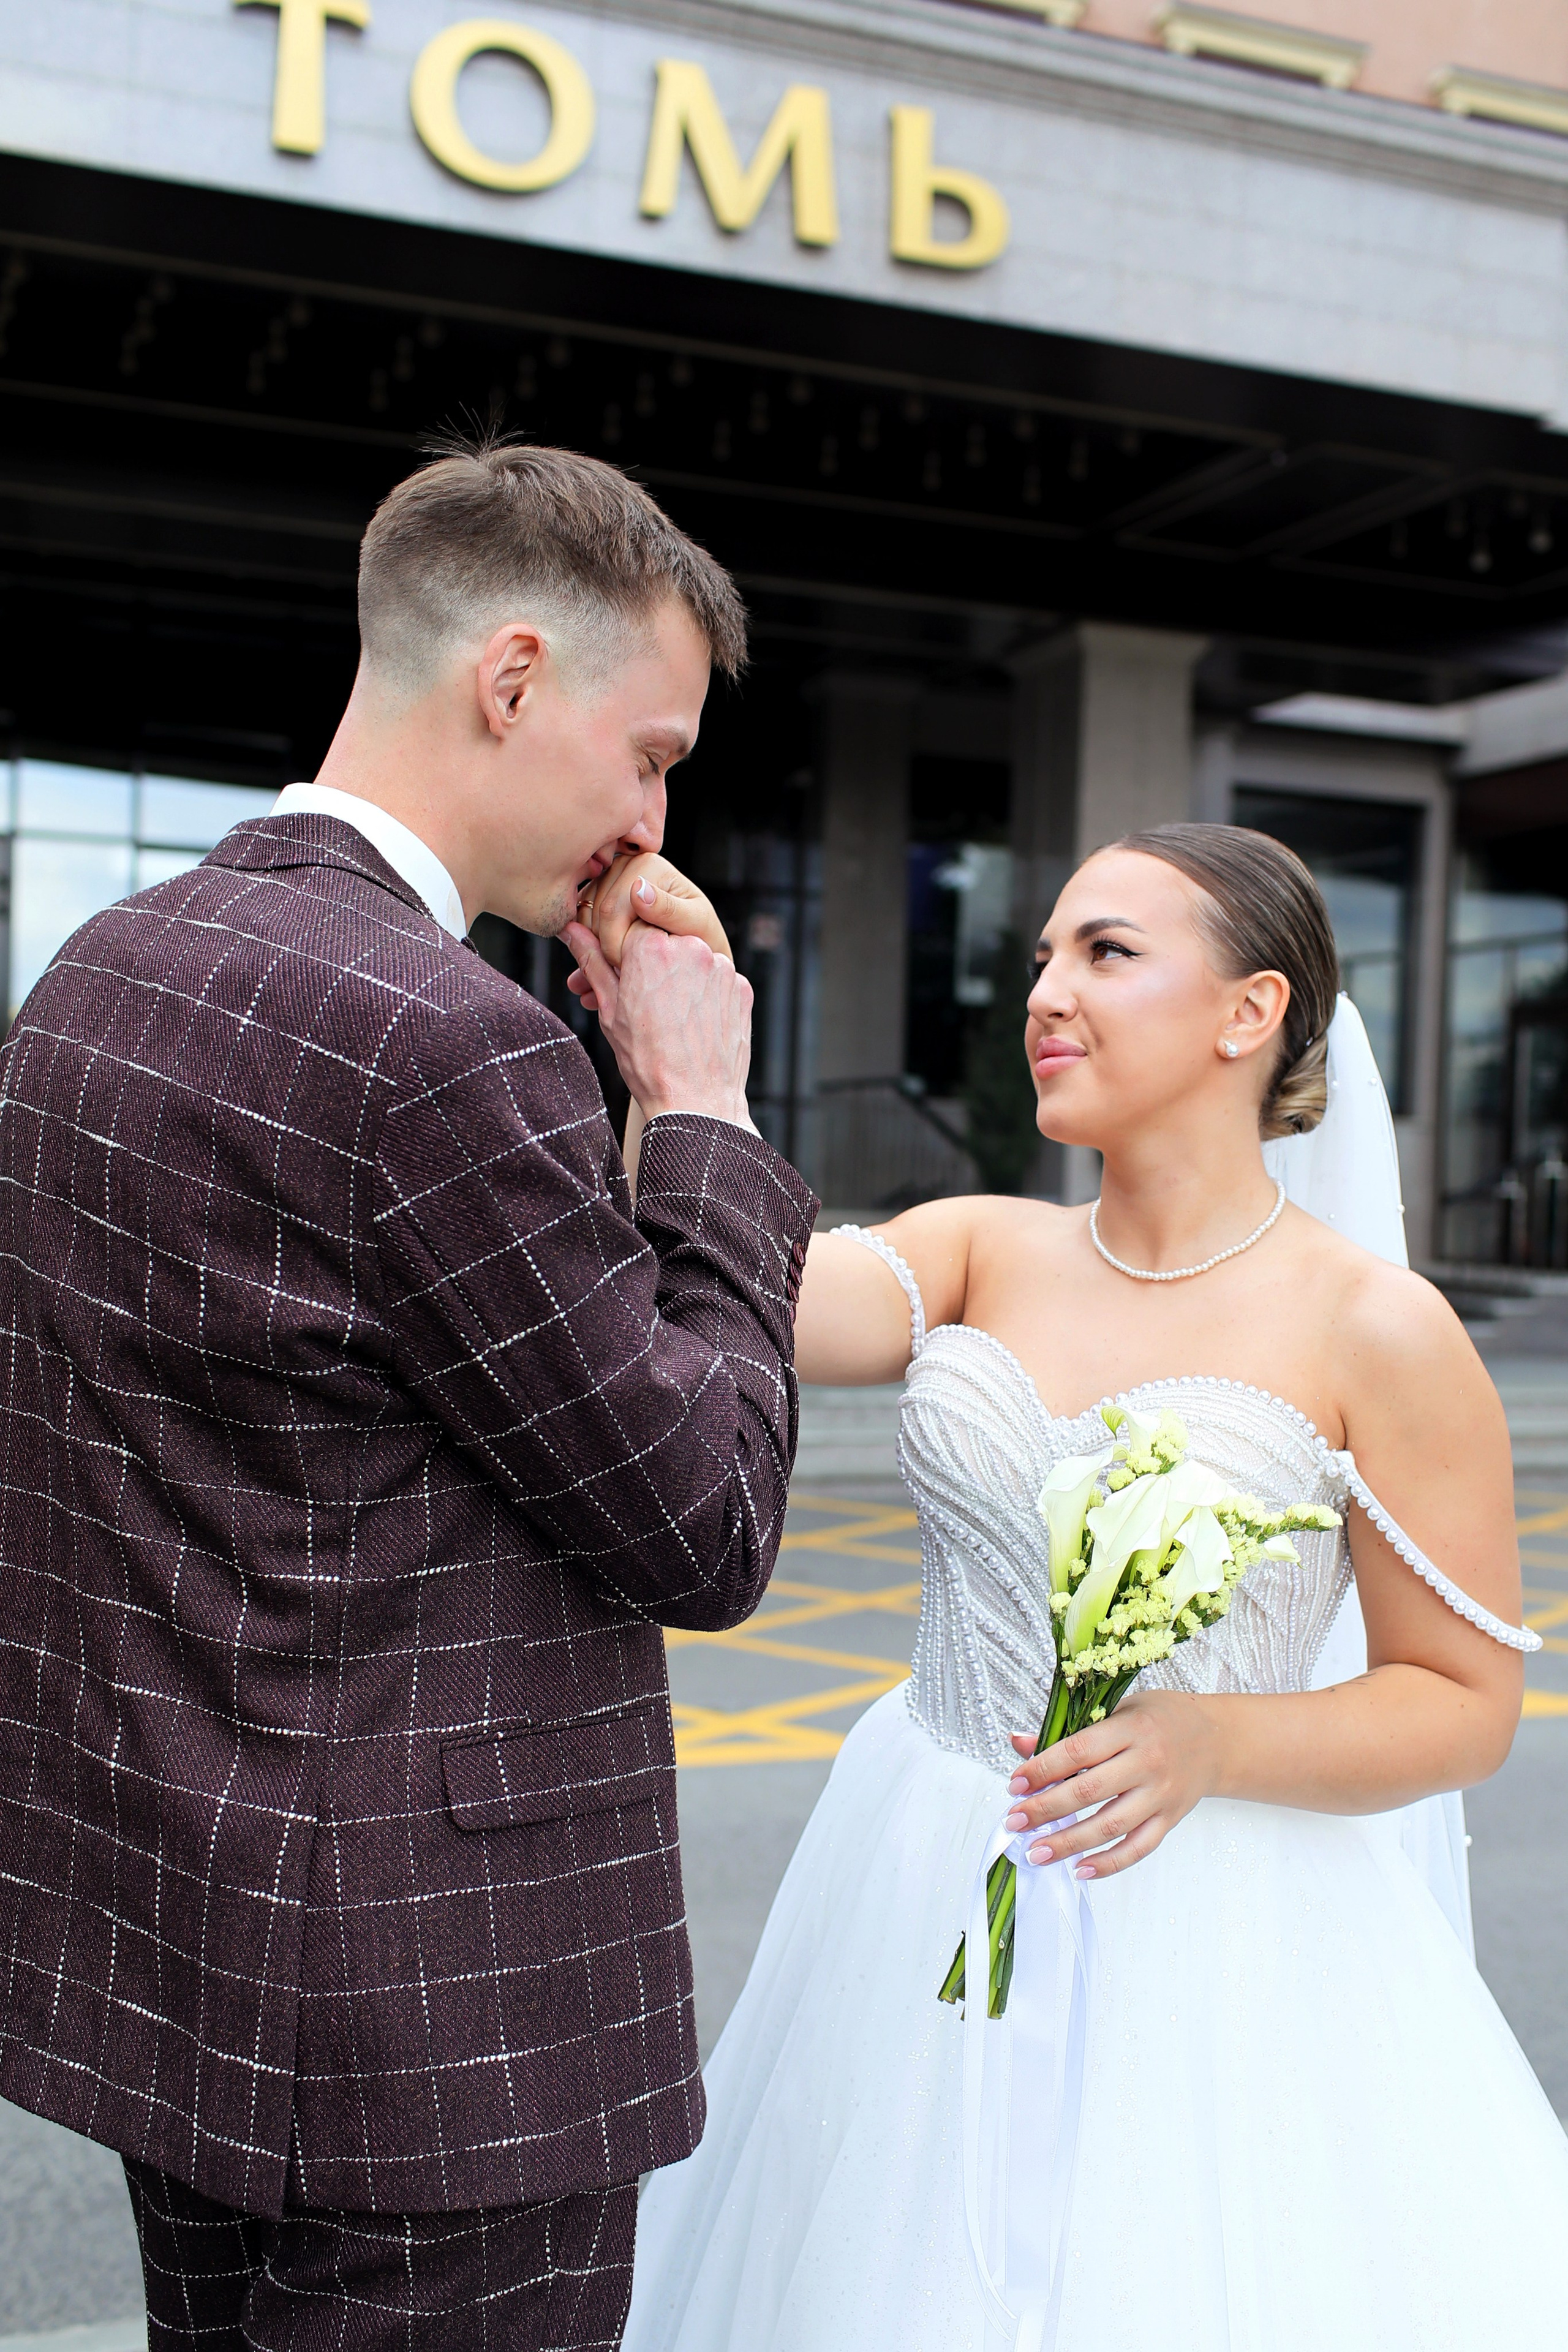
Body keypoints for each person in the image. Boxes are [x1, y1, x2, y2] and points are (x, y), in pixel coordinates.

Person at [0, 440, 818, 2350]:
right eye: (658, 754)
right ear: (513, 680)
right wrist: (697, 1113)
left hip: (185, 1986)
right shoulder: (448, 1044)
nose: (649, 816)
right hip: (444, 2058)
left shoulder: (92, 983)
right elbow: (707, 1523)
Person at [572, 823, 1568, 2351]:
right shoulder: (977, 1248)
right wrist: (679, 1057)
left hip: (1231, 1938)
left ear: (1248, 1014)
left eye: (1104, 953)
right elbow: (730, 1281)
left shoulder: (1380, 1329)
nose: (1044, 990)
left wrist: (1213, 1742)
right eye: (1041, 955)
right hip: (926, 1870)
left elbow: (1466, 1703)